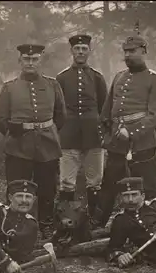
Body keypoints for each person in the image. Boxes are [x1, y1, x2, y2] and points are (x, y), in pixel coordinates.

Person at [0, 43, 67, 241]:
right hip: (18, 147)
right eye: (26, 59)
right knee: (17, 187)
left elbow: (60, 116)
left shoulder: (53, 85)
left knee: (47, 188)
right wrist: (17, 132)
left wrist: (46, 131)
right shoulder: (9, 88)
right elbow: (0, 121)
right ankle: (15, 226)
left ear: (40, 61)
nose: (30, 63)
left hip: (47, 145)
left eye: (34, 59)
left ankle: (45, 226)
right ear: (20, 61)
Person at [97, 28, 156, 228]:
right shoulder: (118, 76)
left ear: (143, 51)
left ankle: (149, 225)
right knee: (109, 185)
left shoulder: (154, 78)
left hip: (143, 142)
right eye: (125, 51)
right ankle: (99, 224)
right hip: (117, 142)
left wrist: (132, 132)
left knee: (147, 186)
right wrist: (109, 135)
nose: (127, 55)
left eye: (132, 51)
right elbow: (106, 111)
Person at [55, 34, 108, 223]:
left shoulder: (97, 78)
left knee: (95, 181)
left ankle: (93, 220)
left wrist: (104, 133)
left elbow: (104, 108)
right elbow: (57, 109)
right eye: (77, 49)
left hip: (94, 137)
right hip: (68, 137)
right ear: (71, 51)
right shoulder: (61, 78)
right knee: (67, 181)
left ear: (89, 51)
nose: (80, 52)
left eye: (84, 49)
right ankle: (65, 221)